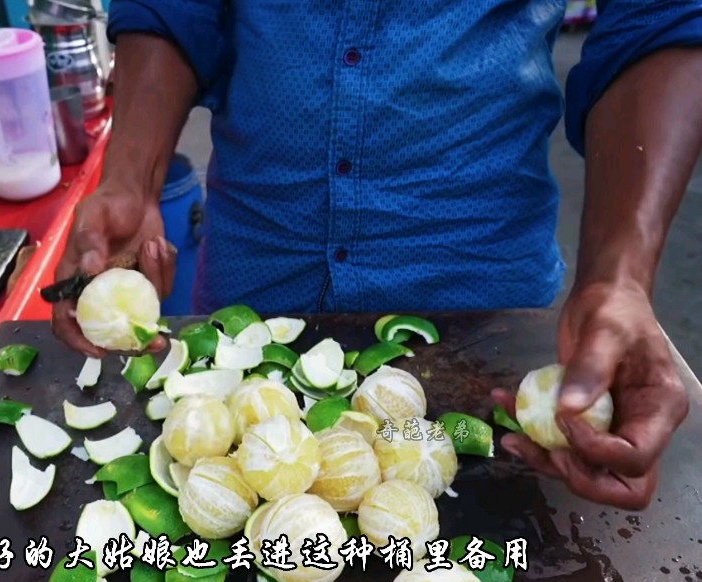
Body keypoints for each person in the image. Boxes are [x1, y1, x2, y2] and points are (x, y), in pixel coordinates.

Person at [51, 0, 702, 510]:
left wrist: (620, 280)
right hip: (258, 259)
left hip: (476, 280)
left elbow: (660, 18)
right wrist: (130, 178)